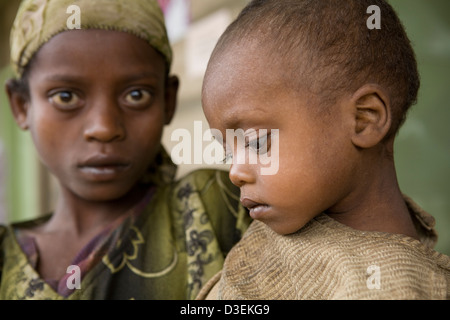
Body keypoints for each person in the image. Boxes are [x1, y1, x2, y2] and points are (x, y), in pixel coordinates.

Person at [197, 0, 450, 299]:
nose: (235, 172)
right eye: (228, 152)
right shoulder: (295, 216)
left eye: (256, 141)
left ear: (363, 119)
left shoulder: (385, 288)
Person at [0, 0, 251, 300]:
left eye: (136, 95)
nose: (105, 128)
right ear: (21, 105)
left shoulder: (214, 206)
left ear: (167, 101)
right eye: (65, 96)